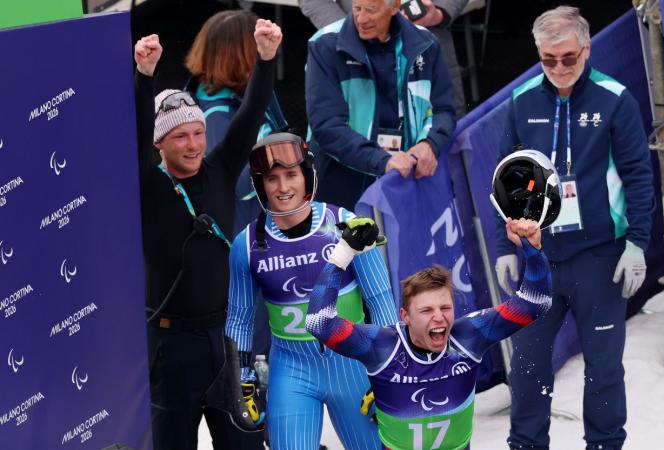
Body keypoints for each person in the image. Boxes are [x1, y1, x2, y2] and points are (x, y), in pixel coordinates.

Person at [493, 6, 654, 450]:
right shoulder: (522, 100)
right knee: (527, 366)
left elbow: (639, 176)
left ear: (586, 49)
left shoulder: (614, 98)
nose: (560, 69)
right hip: (538, 257)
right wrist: (504, 247)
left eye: (569, 58)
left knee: (602, 368)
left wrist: (637, 243)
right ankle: (526, 445)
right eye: (549, 60)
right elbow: (505, 177)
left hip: (599, 257)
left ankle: (604, 445)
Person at [133, 19, 281, 450]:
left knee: (247, 445)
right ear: (161, 144)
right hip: (172, 346)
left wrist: (266, 59)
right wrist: (144, 76)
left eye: (198, 132)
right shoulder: (149, 184)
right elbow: (137, 136)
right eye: (180, 136)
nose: (195, 144)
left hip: (230, 340)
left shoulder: (218, 168)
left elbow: (251, 114)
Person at [306, 216, 552, 449]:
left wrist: (532, 250)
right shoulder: (383, 347)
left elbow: (536, 303)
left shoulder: (468, 337)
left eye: (445, 307)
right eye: (426, 310)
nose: (439, 317)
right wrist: (342, 254)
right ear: (405, 317)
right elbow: (319, 323)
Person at [225, 132, 398, 449]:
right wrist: (242, 379)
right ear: (260, 185)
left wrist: (388, 368)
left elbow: (381, 299)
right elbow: (239, 319)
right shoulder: (246, 246)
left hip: (353, 366)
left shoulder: (346, 224)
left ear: (306, 176)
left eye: (291, 175)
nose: (283, 188)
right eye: (272, 179)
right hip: (291, 370)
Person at [304, 0, 456, 210]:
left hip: (406, 177)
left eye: (370, 11)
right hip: (341, 182)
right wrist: (381, 160)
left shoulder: (425, 43)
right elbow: (326, 126)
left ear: (394, 7)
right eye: (357, 8)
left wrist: (429, 143)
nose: (361, 19)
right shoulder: (324, 45)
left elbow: (444, 108)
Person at [185, 9, 290, 235]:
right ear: (239, 55)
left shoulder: (248, 90)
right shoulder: (215, 115)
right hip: (248, 235)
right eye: (258, 45)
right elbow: (237, 182)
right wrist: (285, 158)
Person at [298, 0, 467, 118]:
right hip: (359, 57)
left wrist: (439, 13)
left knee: (446, 140)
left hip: (428, 48)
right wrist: (353, 29)